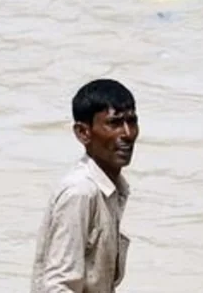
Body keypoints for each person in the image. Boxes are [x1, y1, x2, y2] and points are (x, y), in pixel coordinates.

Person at [31, 79, 138, 293]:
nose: (127, 133)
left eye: (132, 121)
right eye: (114, 123)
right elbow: (58, 286)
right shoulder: (80, 192)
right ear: (83, 132)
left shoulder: (112, 190)